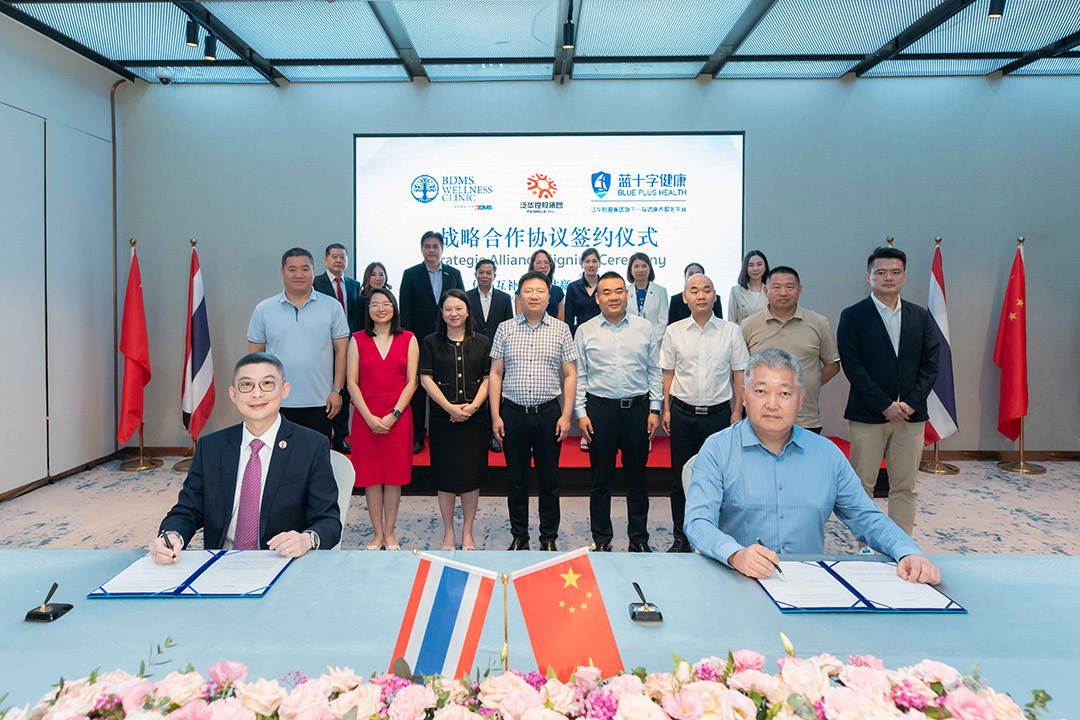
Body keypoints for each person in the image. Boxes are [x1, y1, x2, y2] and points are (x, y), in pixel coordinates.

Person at [684, 348, 941, 585]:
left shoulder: (826, 454)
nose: (772, 404)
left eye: (785, 393)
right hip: (738, 579)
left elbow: (866, 516)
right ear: (744, 396)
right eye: (760, 391)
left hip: (807, 584)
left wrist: (907, 550)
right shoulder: (717, 449)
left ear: (800, 399)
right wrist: (736, 554)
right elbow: (698, 522)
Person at [151, 352, 341, 563]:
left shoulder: (310, 446)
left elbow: (329, 521)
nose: (256, 394)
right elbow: (187, 510)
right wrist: (172, 535)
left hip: (283, 562)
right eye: (246, 385)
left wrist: (306, 539)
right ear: (233, 394)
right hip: (221, 563)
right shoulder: (211, 447)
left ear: (285, 390)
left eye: (267, 384)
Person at [837, 246, 939, 538]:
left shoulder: (920, 316)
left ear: (904, 277)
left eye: (895, 272)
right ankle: (867, 542)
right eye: (881, 272)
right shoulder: (853, 316)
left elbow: (931, 364)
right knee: (862, 484)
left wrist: (911, 402)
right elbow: (853, 366)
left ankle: (900, 542)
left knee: (905, 486)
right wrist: (884, 404)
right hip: (868, 414)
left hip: (910, 415)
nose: (888, 278)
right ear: (868, 277)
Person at [660, 273, 748, 553]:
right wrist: (666, 409)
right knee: (680, 478)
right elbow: (668, 374)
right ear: (685, 298)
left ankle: (716, 536)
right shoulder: (674, 331)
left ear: (714, 296)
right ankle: (681, 536)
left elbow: (739, 374)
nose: (701, 295)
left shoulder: (731, 331)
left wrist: (737, 411)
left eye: (707, 290)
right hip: (682, 413)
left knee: (720, 478)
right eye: (694, 290)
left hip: (719, 415)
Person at [490, 270, 577, 551]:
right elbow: (495, 373)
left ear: (549, 297)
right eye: (528, 291)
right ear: (518, 296)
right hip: (513, 414)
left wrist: (566, 415)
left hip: (548, 414)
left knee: (549, 479)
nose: (534, 296)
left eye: (540, 291)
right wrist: (495, 415)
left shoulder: (561, 330)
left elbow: (570, 374)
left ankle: (548, 537)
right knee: (516, 480)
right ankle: (519, 537)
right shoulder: (505, 328)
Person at [575, 272, 662, 552]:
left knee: (637, 479)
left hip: (638, 411)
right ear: (597, 298)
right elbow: (580, 375)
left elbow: (654, 371)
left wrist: (655, 409)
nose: (613, 297)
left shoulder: (644, 328)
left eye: (618, 291)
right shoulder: (585, 330)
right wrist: (581, 413)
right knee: (600, 481)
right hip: (600, 412)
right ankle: (601, 539)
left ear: (626, 294)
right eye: (606, 292)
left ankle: (639, 539)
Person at [248, 248, 350, 440]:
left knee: (317, 455)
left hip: (321, 401)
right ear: (282, 272)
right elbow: (255, 358)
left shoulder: (332, 307)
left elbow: (342, 351)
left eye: (305, 269)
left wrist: (337, 391)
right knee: (278, 454)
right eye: (292, 269)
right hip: (276, 400)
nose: (299, 275)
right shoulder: (264, 309)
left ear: (313, 271)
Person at [347, 287, 419, 551]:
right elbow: (351, 382)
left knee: (393, 477)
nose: (381, 309)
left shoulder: (409, 339)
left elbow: (412, 382)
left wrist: (393, 415)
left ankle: (390, 533)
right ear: (368, 311)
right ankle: (377, 533)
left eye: (386, 303)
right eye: (375, 304)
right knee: (371, 478)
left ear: (394, 308)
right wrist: (368, 417)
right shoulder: (357, 340)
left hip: (398, 418)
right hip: (366, 417)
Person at [420, 289, 491, 551]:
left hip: (475, 419)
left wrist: (472, 407)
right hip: (443, 418)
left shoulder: (482, 342)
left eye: (459, 308)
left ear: (468, 311)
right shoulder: (430, 342)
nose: (454, 313)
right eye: (448, 309)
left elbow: (489, 378)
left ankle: (468, 533)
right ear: (441, 312)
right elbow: (425, 379)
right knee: (446, 477)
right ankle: (448, 532)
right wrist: (450, 407)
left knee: (471, 477)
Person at [741, 266, 840, 434]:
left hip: (805, 418)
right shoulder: (749, 325)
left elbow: (833, 366)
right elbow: (740, 370)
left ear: (799, 290)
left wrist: (804, 384)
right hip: (761, 417)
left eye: (789, 287)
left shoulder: (819, 323)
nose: (783, 292)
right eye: (776, 287)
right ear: (765, 291)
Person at [400, 231, 464, 454]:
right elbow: (405, 311)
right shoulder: (411, 274)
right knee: (418, 389)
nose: (431, 250)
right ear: (421, 249)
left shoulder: (453, 274)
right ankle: (418, 435)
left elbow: (462, 306)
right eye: (427, 246)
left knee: (446, 385)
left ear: (442, 249)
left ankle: (446, 431)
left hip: (448, 340)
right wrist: (409, 342)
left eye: (435, 246)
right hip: (419, 342)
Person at [312, 243, 364, 454]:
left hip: (348, 345)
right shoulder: (316, 283)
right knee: (326, 389)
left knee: (343, 390)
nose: (338, 260)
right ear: (326, 260)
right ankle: (322, 434)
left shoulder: (354, 284)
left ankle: (340, 437)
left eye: (342, 257)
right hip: (323, 345)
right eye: (334, 257)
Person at [466, 258, 513, 453]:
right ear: (475, 275)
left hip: (498, 353)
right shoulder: (466, 297)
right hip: (472, 351)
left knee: (496, 394)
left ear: (495, 275)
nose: (485, 276)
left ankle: (494, 435)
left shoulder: (504, 298)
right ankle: (477, 435)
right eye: (481, 272)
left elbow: (509, 327)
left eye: (488, 273)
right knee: (476, 393)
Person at [625, 252, 669, 340]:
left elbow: (663, 321)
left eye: (644, 266)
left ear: (650, 269)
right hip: (629, 340)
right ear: (631, 270)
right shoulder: (624, 291)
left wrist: (651, 340)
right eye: (636, 266)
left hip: (655, 341)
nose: (640, 270)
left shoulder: (661, 291)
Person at [514, 249, 564, 320]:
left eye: (546, 262)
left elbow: (561, 320)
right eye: (538, 262)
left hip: (553, 326)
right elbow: (519, 318)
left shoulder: (557, 291)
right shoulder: (522, 291)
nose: (543, 266)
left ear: (551, 266)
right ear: (532, 265)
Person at [564, 248, 602, 337]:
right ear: (581, 264)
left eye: (594, 261)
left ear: (599, 264)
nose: (591, 265)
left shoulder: (605, 286)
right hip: (580, 333)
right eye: (587, 261)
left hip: (602, 332)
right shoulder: (573, 287)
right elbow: (569, 317)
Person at [727, 250, 769, 325]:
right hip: (744, 332)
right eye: (751, 265)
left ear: (765, 267)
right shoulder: (736, 291)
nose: (755, 268)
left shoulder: (771, 290)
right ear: (745, 268)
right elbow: (731, 321)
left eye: (759, 264)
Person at [356, 261, 392, 330]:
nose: (378, 278)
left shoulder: (390, 299)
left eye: (381, 275)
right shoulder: (360, 302)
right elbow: (358, 328)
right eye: (373, 274)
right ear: (367, 277)